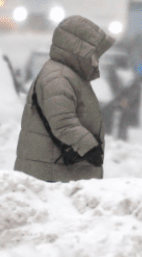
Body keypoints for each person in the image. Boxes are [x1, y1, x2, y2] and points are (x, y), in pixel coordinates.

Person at [14, 15, 116, 182]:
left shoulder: (68, 74)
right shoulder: (58, 77)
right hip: (51, 175)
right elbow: (63, 122)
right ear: (79, 50)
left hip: (55, 171)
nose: (96, 60)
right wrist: (90, 148)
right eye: (94, 54)